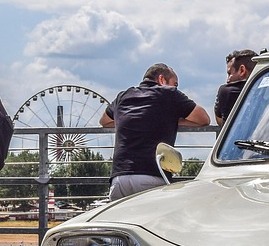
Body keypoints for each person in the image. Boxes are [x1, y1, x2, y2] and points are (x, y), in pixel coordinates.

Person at [101, 64, 209, 199]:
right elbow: (203, 118)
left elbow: (104, 121)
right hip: (152, 174)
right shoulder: (169, 93)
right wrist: (173, 119)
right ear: (162, 79)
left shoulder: (123, 96)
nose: (175, 87)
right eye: (174, 84)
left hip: (119, 178)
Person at [214, 49, 255, 125]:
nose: (227, 80)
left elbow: (220, 121)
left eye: (230, 74)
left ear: (242, 70)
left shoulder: (226, 91)